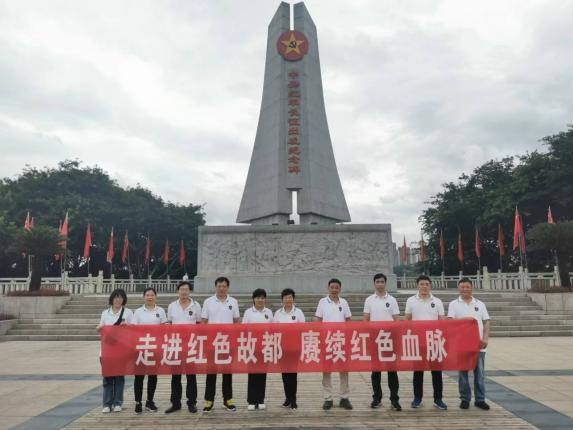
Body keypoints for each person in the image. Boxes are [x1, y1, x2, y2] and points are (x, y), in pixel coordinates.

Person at [447, 278, 491, 410]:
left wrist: (485, 338)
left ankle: (480, 399)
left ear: (471, 288)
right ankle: (465, 399)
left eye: (467, 287)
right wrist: (465, 320)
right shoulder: (453, 304)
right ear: (459, 288)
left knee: (479, 373)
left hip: (478, 344)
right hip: (462, 344)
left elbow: (486, 322)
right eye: (462, 287)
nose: (465, 289)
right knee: (463, 373)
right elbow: (450, 322)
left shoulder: (480, 304)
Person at [405, 275, 447, 410]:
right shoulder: (411, 300)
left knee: (436, 372)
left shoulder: (437, 301)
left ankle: (438, 399)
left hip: (434, 341)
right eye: (422, 284)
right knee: (418, 371)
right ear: (417, 286)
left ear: (430, 286)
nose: (424, 286)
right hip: (418, 341)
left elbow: (442, 320)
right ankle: (417, 398)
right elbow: (407, 320)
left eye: (426, 284)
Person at [363, 273, 402, 411]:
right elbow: (366, 319)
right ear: (374, 284)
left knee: (392, 370)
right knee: (376, 370)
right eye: (377, 282)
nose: (380, 284)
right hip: (375, 338)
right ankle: (377, 398)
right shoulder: (369, 300)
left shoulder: (392, 300)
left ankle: (394, 399)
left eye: (382, 281)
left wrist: (396, 336)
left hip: (389, 338)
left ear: (385, 283)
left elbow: (396, 319)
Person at [201, 276, 240, 413]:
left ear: (227, 287)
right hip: (212, 343)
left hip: (228, 343)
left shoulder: (233, 302)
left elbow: (236, 321)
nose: (222, 288)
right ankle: (209, 401)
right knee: (211, 372)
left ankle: (228, 400)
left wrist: (235, 339)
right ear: (215, 287)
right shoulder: (208, 302)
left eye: (224, 286)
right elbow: (203, 321)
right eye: (219, 286)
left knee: (227, 372)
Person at [315, 278, 353, 410]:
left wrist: (348, 338)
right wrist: (319, 338)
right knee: (326, 370)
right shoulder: (322, 302)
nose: (334, 290)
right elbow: (318, 320)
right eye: (332, 287)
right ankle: (328, 398)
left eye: (337, 287)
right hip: (327, 340)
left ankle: (344, 397)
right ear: (328, 288)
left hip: (341, 340)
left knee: (344, 370)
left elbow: (348, 320)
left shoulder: (344, 302)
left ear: (340, 289)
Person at [165, 281, 202, 414]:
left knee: (191, 375)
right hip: (175, 344)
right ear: (178, 291)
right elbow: (169, 323)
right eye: (182, 289)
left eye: (186, 289)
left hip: (191, 344)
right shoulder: (172, 306)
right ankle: (175, 403)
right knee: (176, 376)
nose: (184, 292)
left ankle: (192, 403)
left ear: (189, 291)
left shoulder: (196, 305)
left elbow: (199, 324)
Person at [96, 288, 133, 413]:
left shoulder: (128, 313)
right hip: (106, 350)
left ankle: (118, 403)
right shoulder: (105, 313)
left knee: (119, 378)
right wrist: (99, 328)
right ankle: (106, 404)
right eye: (116, 297)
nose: (118, 299)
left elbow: (134, 330)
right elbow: (101, 328)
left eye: (121, 297)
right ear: (112, 298)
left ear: (124, 299)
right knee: (107, 378)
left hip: (121, 350)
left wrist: (127, 327)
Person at [132, 287, 167, 413]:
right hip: (141, 348)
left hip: (155, 348)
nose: (150, 297)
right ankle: (138, 402)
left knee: (153, 376)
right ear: (144, 297)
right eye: (147, 295)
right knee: (139, 377)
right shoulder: (138, 312)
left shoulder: (161, 311)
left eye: (152, 295)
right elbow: (133, 329)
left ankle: (149, 401)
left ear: (155, 297)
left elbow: (164, 328)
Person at [274, 287, 305, 410]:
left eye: (290, 297)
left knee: (293, 374)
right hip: (282, 348)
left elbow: (303, 329)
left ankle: (293, 400)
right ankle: (287, 398)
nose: (288, 300)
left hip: (294, 347)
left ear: (293, 299)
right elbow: (274, 330)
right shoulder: (278, 313)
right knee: (285, 374)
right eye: (286, 297)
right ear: (282, 299)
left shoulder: (298, 312)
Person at [242, 288, 274, 411]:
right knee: (252, 374)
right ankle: (251, 400)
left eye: (262, 298)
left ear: (265, 299)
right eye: (257, 298)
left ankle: (260, 400)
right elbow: (244, 330)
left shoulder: (269, 312)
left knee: (262, 374)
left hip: (265, 347)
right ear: (253, 299)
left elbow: (273, 330)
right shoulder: (248, 312)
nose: (260, 300)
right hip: (252, 347)